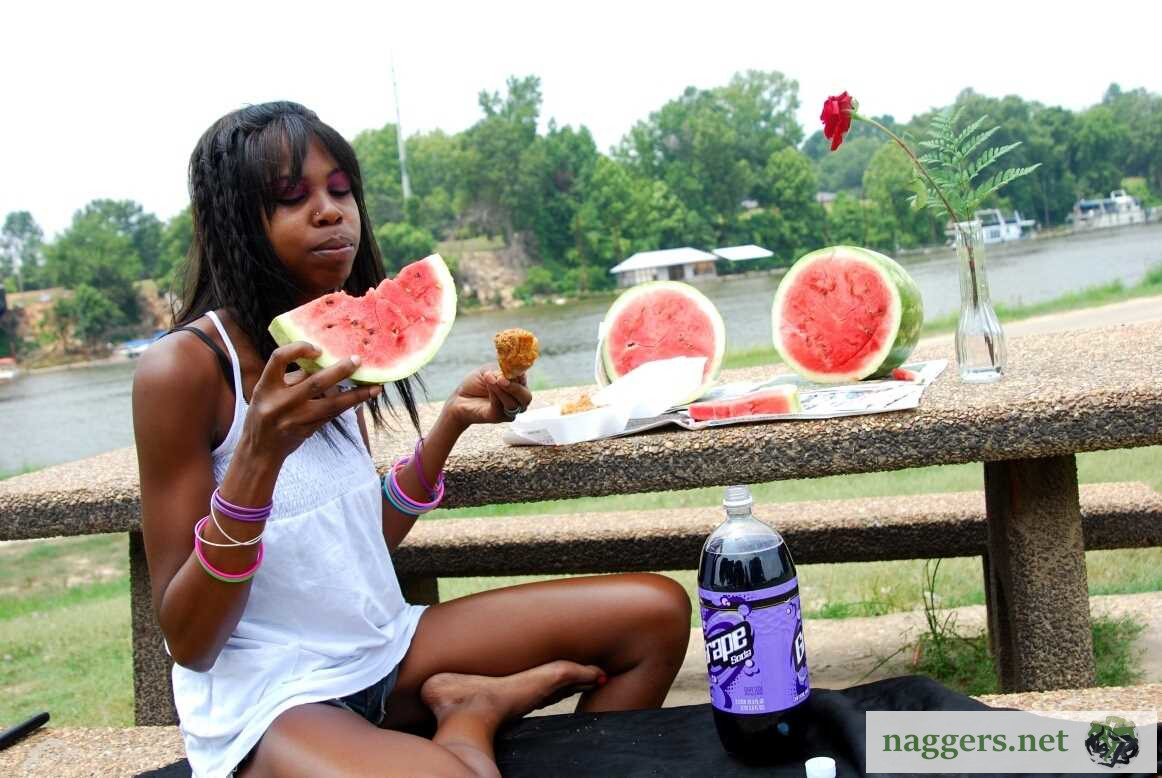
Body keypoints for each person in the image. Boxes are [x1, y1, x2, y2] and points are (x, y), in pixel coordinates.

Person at [132, 101, 692, 778]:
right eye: (291, 196)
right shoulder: (183, 369)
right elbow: (189, 640)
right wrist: (257, 458)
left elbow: (349, 539)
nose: (330, 212)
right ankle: (471, 715)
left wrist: (449, 426)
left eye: (341, 190)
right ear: (233, 222)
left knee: (655, 617)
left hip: (385, 651)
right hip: (274, 698)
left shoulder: (331, 340)